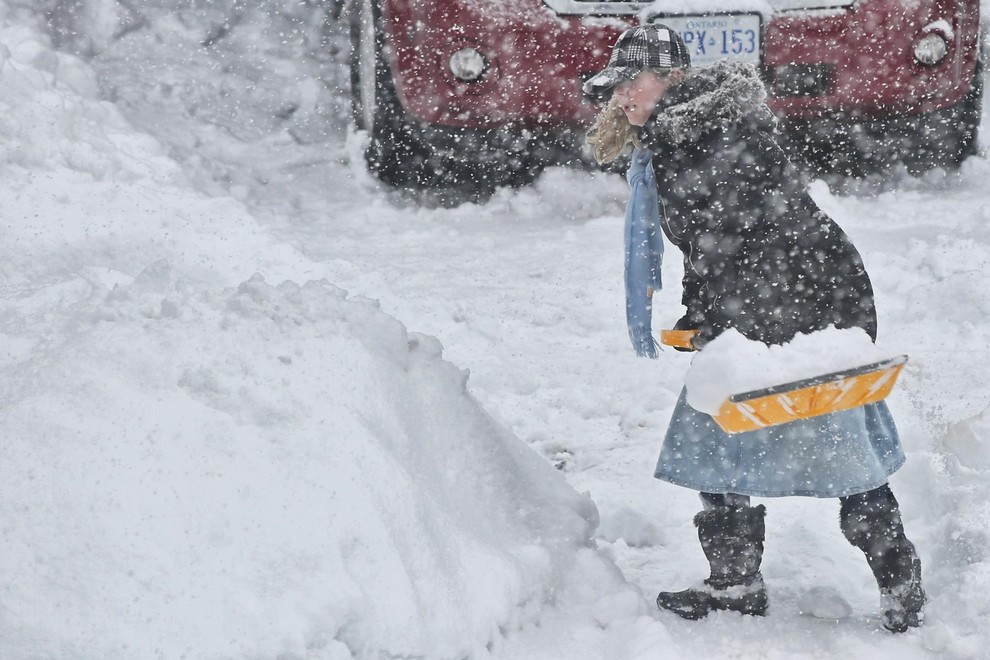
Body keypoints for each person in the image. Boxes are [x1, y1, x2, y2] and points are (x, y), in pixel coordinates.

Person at [583, 24, 925, 633]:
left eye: (629, 85)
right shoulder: (691, 129)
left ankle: (895, 581)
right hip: (790, 298)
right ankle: (741, 581)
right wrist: (701, 315)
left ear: (664, 82)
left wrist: (727, 322)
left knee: (835, 443)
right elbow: (713, 248)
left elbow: (739, 241)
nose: (621, 100)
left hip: (798, 308)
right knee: (723, 437)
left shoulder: (697, 136)